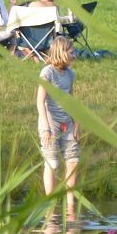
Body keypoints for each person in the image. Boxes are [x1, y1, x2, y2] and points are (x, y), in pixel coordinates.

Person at [36, 36, 80, 206]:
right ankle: (51, 204)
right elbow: (40, 101)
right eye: (71, 52)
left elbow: (71, 98)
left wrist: (76, 123)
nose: (74, 55)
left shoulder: (70, 74)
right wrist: (46, 128)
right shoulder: (47, 73)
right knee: (52, 163)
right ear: (61, 52)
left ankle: (70, 204)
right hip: (51, 122)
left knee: (73, 160)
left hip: (67, 123)